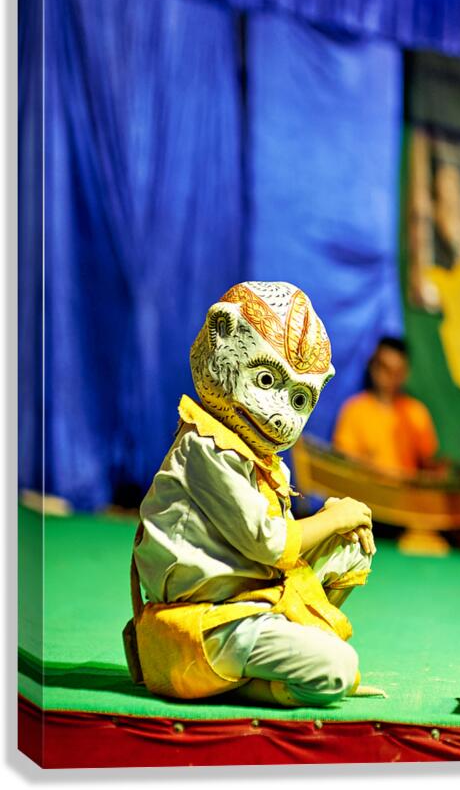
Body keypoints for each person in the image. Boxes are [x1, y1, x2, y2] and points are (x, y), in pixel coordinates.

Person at [127, 282, 378, 708]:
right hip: (207, 619)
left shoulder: (253, 455)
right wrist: (334, 516)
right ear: (221, 334)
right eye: (266, 379)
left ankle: (279, 634)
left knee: (351, 550)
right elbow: (269, 542)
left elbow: (272, 542)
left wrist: (337, 524)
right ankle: (229, 674)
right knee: (336, 669)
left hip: (243, 599)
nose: (282, 414)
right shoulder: (206, 447)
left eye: (299, 399)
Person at [332, 336, 439, 479]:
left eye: (397, 371)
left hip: (406, 495)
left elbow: (427, 461)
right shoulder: (354, 409)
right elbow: (344, 460)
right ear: (373, 367)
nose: (389, 377)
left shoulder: (416, 411)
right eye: (384, 368)